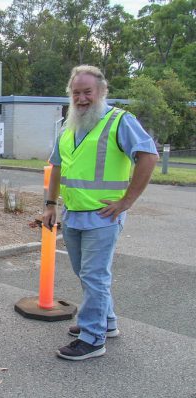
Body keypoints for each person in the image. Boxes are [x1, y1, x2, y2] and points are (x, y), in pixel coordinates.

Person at [43, 65, 158, 361]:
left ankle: (92, 338)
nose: (81, 98)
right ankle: (105, 322)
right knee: (85, 273)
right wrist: (51, 204)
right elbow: (56, 167)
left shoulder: (120, 121)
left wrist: (127, 201)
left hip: (104, 216)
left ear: (102, 92)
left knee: (94, 275)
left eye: (87, 92)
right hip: (74, 214)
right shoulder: (68, 127)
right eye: (76, 93)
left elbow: (148, 156)